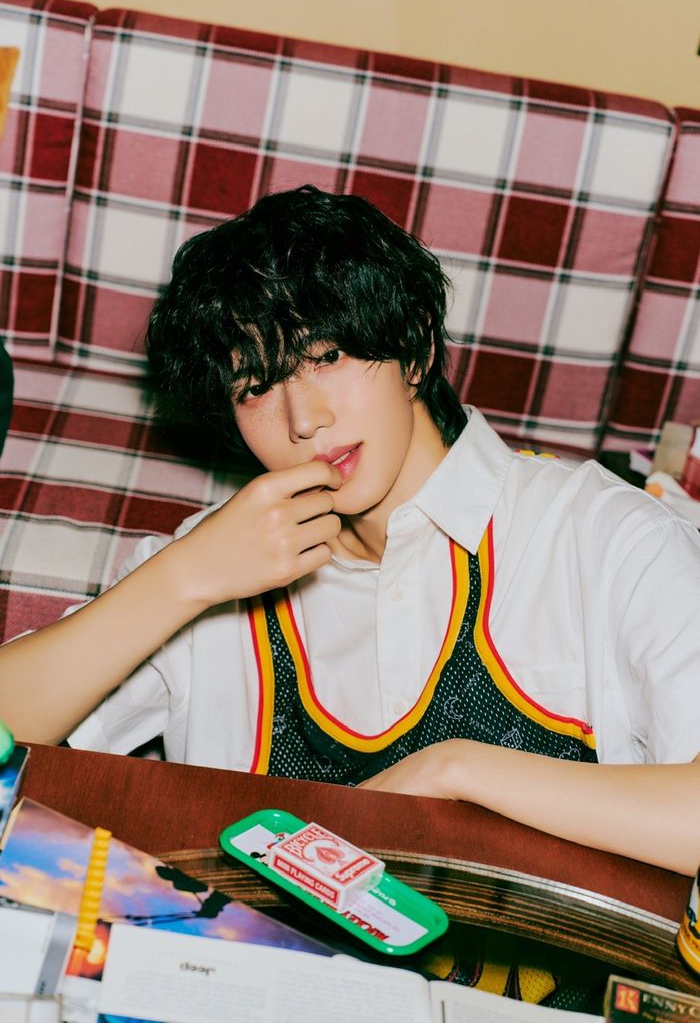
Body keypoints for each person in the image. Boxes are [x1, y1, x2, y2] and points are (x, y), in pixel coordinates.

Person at [0, 185, 698, 875]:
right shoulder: (214, 560)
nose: (304, 419)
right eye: (256, 387)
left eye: (328, 356)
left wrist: (455, 770)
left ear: (415, 348)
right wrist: (181, 580)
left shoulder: (605, 537)